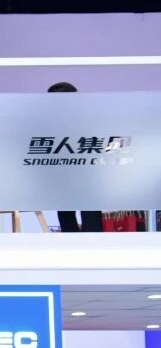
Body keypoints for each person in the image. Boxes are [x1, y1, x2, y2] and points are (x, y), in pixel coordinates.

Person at [48, 82, 103, 234]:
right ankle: (70, 244)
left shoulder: (88, 119)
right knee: (66, 216)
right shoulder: (50, 122)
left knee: (91, 217)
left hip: (88, 174)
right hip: (63, 174)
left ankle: (94, 245)